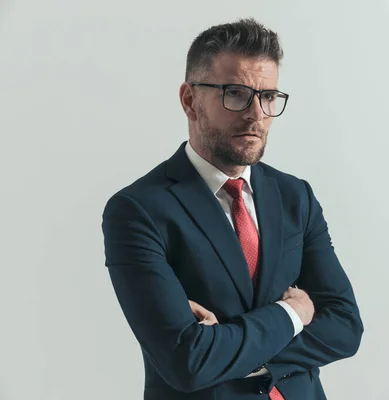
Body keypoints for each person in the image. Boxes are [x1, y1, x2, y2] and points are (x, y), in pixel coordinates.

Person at [101, 18, 363, 400]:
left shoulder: (295, 196)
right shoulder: (138, 211)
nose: (257, 113)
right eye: (236, 93)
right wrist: (293, 314)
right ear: (190, 100)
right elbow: (187, 362)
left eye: (269, 96)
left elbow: (344, 326)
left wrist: (226, 346)